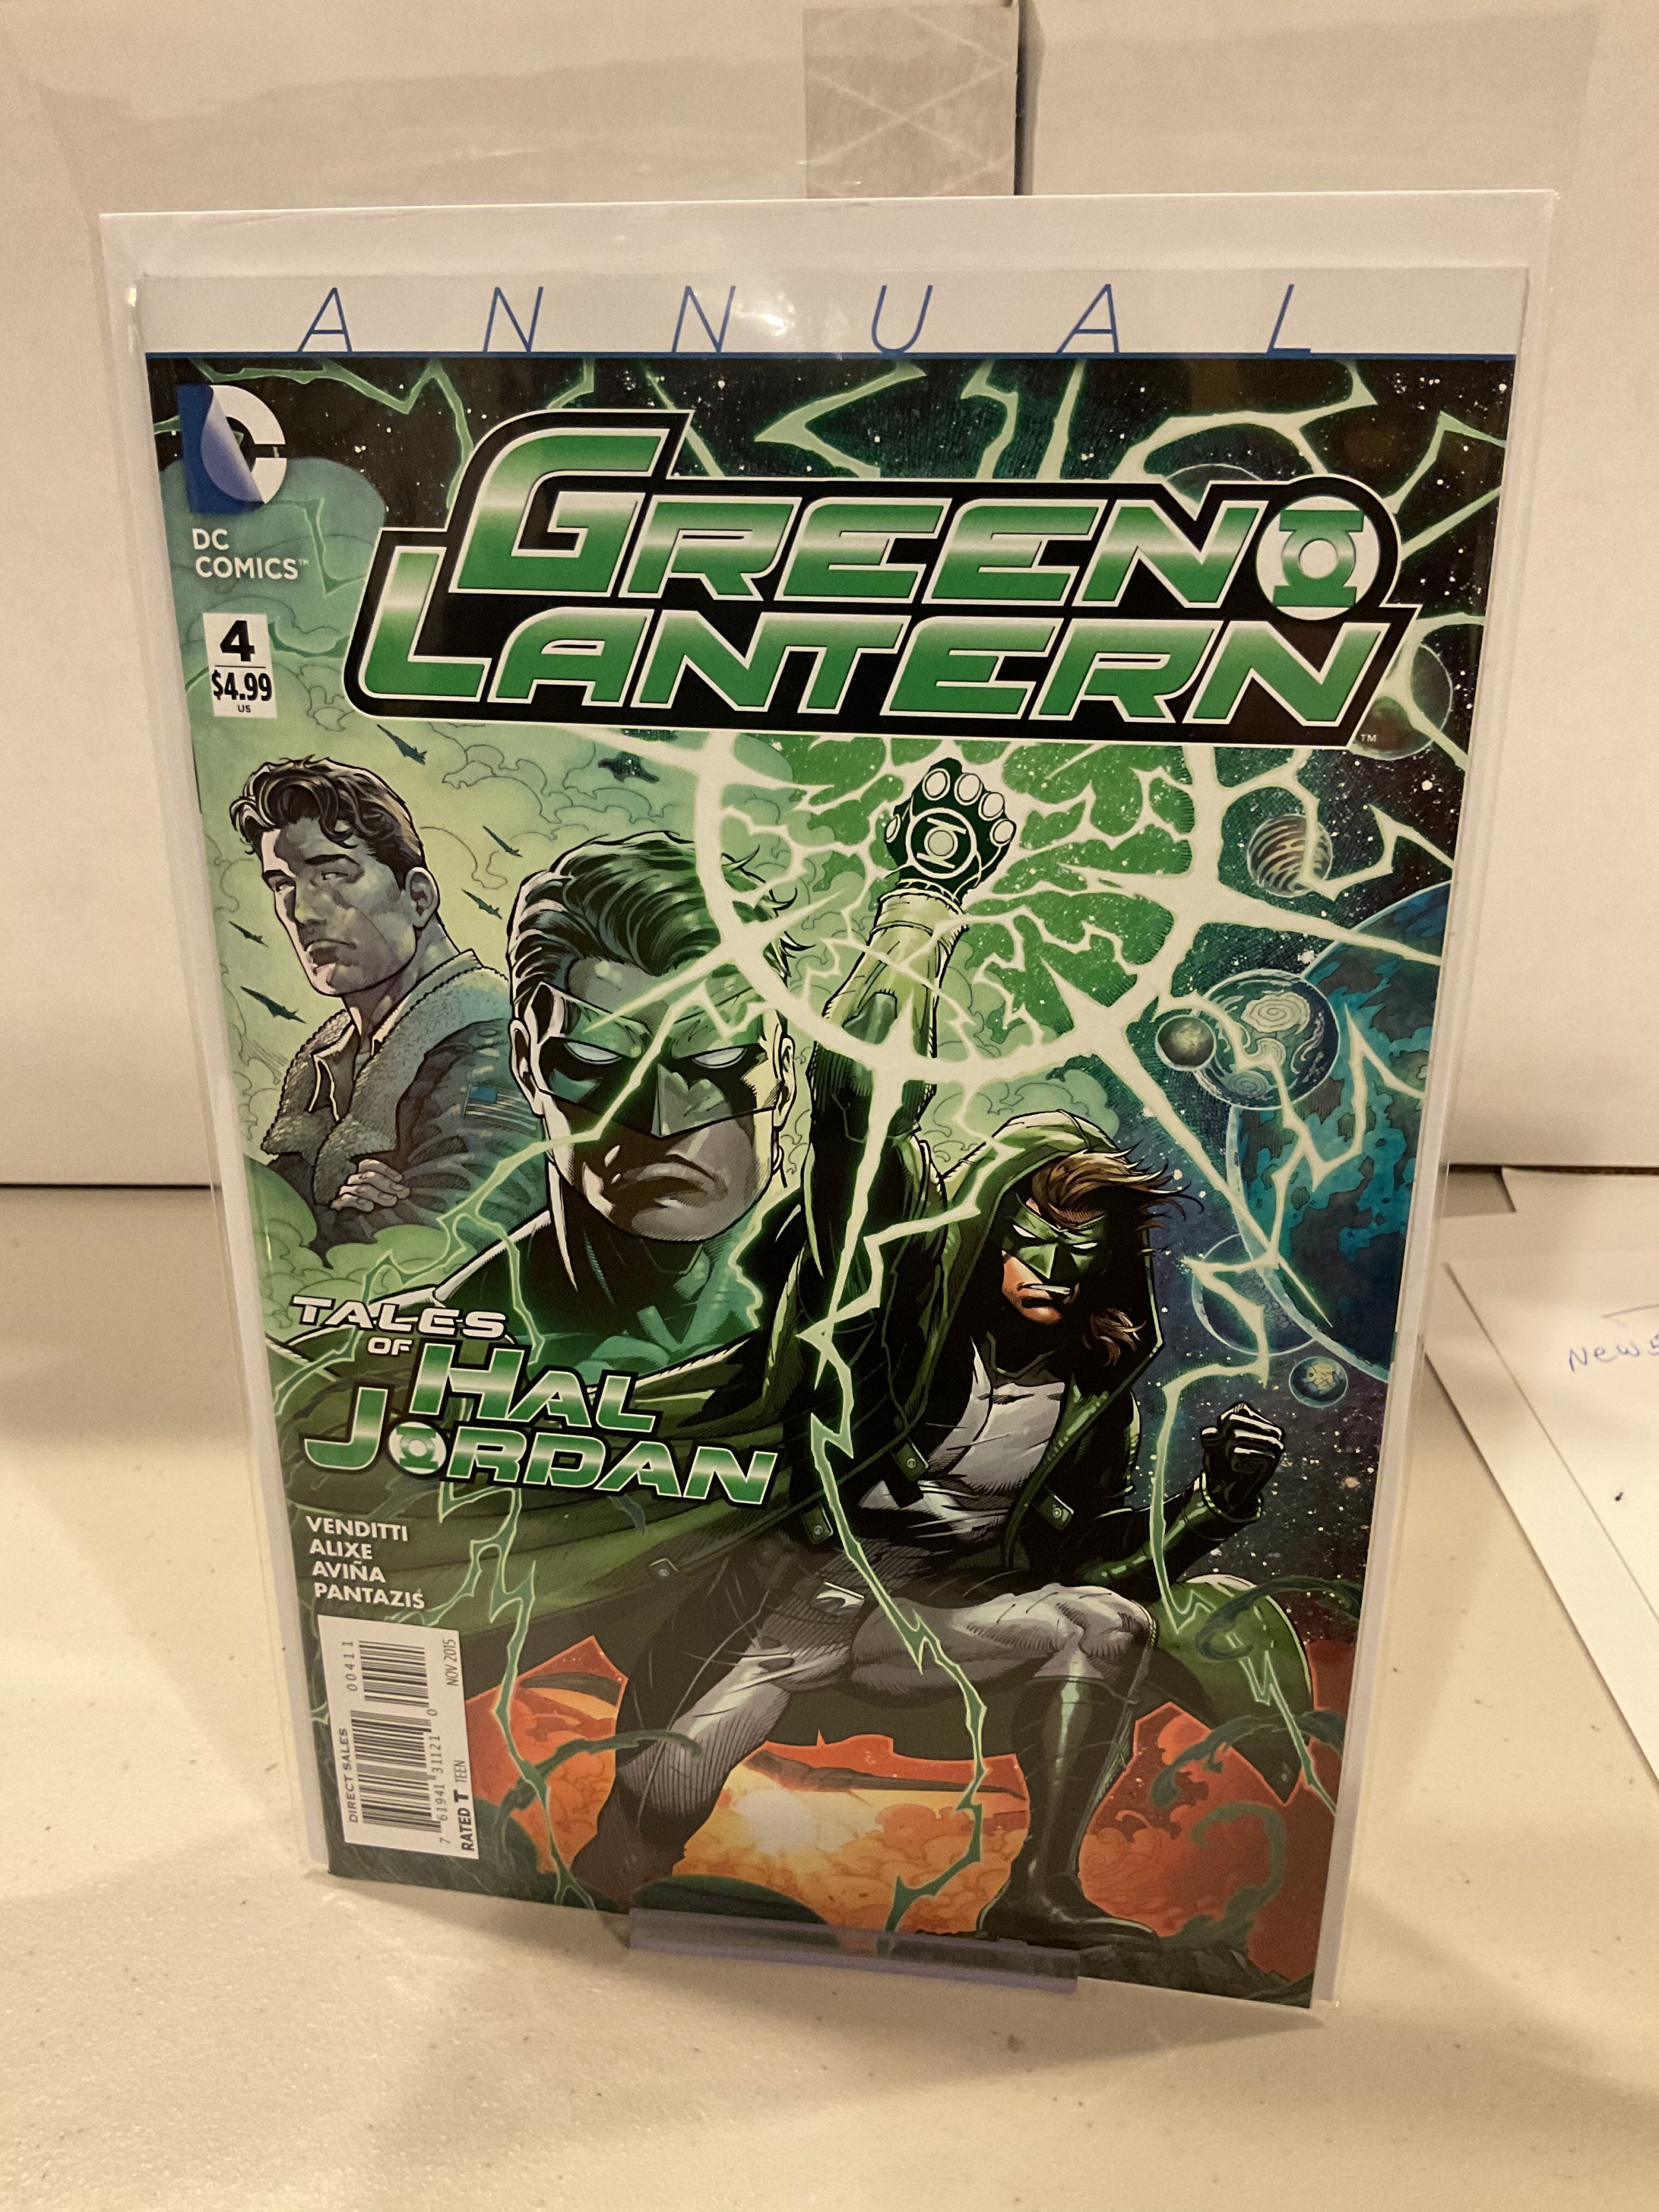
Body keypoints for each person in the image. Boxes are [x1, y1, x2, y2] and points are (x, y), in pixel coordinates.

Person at [569, 761, 1288, 1946]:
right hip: (798, 1605)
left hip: (932, 1629)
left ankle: (1039, 1891)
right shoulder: (898, 1312)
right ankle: (600, 1888)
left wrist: (1217, 1503)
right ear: (987, 1230)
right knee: (667, 1785)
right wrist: (923, 901)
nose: (1054, 1272)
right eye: (1032, 1241)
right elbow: (858, 1105)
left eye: (1081, 1255)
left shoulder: (1087, 1395)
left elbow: (1099, 1562)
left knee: (1104, 1626)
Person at [435, 832, 798, 1370]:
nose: (662, 1122)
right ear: (527, 1065)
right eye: (596, 1057)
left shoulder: (876, 1292)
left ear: (783, 1073)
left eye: (716, 1056)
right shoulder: (452, 1333)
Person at [231, 757, 543, 1257]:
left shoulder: (496, 1049)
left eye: (332, 873)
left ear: (418, 897)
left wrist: (330, 1217)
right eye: (282, 884)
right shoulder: (327, 1064)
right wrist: (339, 1208)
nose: (302, 912)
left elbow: (443, 1243)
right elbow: (270, 1229)